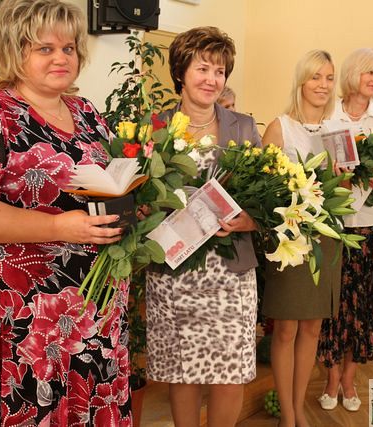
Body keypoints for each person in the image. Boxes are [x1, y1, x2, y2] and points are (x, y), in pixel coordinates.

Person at [0, 0, 133, 424]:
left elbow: (108, 188)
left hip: (98, 311)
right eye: (45, 48)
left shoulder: (87, 114)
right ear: (13, 51)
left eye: (68, 48)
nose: (61, 58)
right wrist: (58, 226)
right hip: (32, 318)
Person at [145, 26, 261, 426]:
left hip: (230, 271)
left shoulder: (243, 127)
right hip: (174, 271)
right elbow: (139, 197)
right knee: (184, 371)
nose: (212, 79)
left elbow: (266, 197)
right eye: (203, 68)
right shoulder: (153, 127)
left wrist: (247, 220)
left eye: (220, 71)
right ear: (180, 71)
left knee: (231, 372)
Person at [316, 48, 373, 412]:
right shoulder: (327, 114)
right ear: (353, 74)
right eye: (370, 72)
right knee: (334, 308)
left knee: (365, 308)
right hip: (334, 225)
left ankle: (349, 379)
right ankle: (331, 377)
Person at [261, 49, 341, 427]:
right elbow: (262, 189)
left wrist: (349, 175)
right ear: (302, 82)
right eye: (316, 77)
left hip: (327, 237)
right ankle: (287, 414)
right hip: (288, 237)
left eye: (329, 78)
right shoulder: (279, 127)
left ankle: (298, 407)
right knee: (286, 328)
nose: (323, 85)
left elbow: (347, 187)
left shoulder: (339, 130)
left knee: (312, 327)